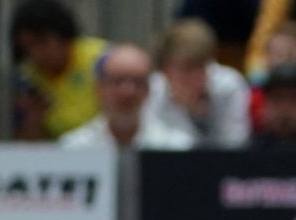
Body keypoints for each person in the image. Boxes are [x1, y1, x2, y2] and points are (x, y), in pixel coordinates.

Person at [10, 0, 107, 142]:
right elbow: (27, 145)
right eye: (28, 47)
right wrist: (33, 120)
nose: (36, 54)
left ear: (62, 33)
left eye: (41, 42)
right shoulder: (26, 80)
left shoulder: (100, 59)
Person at [60, 44, 195, 150]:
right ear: (99, 88)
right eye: (118, 81)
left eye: (137, 82)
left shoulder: (177, 147)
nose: (128, 92)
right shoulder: (72, 148)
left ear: (149, 90)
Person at [146, 18, 252, 148]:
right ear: (165, 71)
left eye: (202, 66)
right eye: (187, 68)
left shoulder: (229, 85)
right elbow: (149, 140)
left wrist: (201, 119)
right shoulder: (152, 89)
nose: (197, 76)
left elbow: (236, 143)